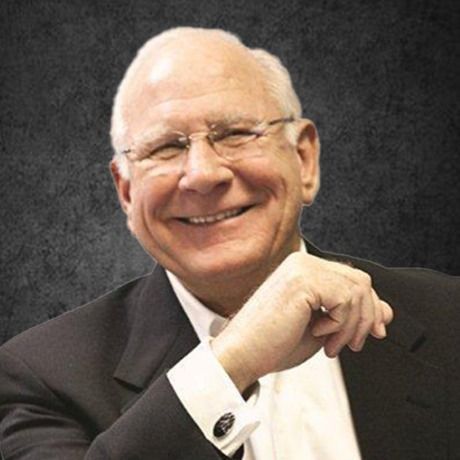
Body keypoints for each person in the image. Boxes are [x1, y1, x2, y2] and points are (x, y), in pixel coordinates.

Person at [0, 27, 458, 460]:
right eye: (165, 148)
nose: (202, 174)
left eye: (236, 134)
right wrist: (230, 364)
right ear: (126, 191)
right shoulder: (37, 378)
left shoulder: (448, 318)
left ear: (304, 159)